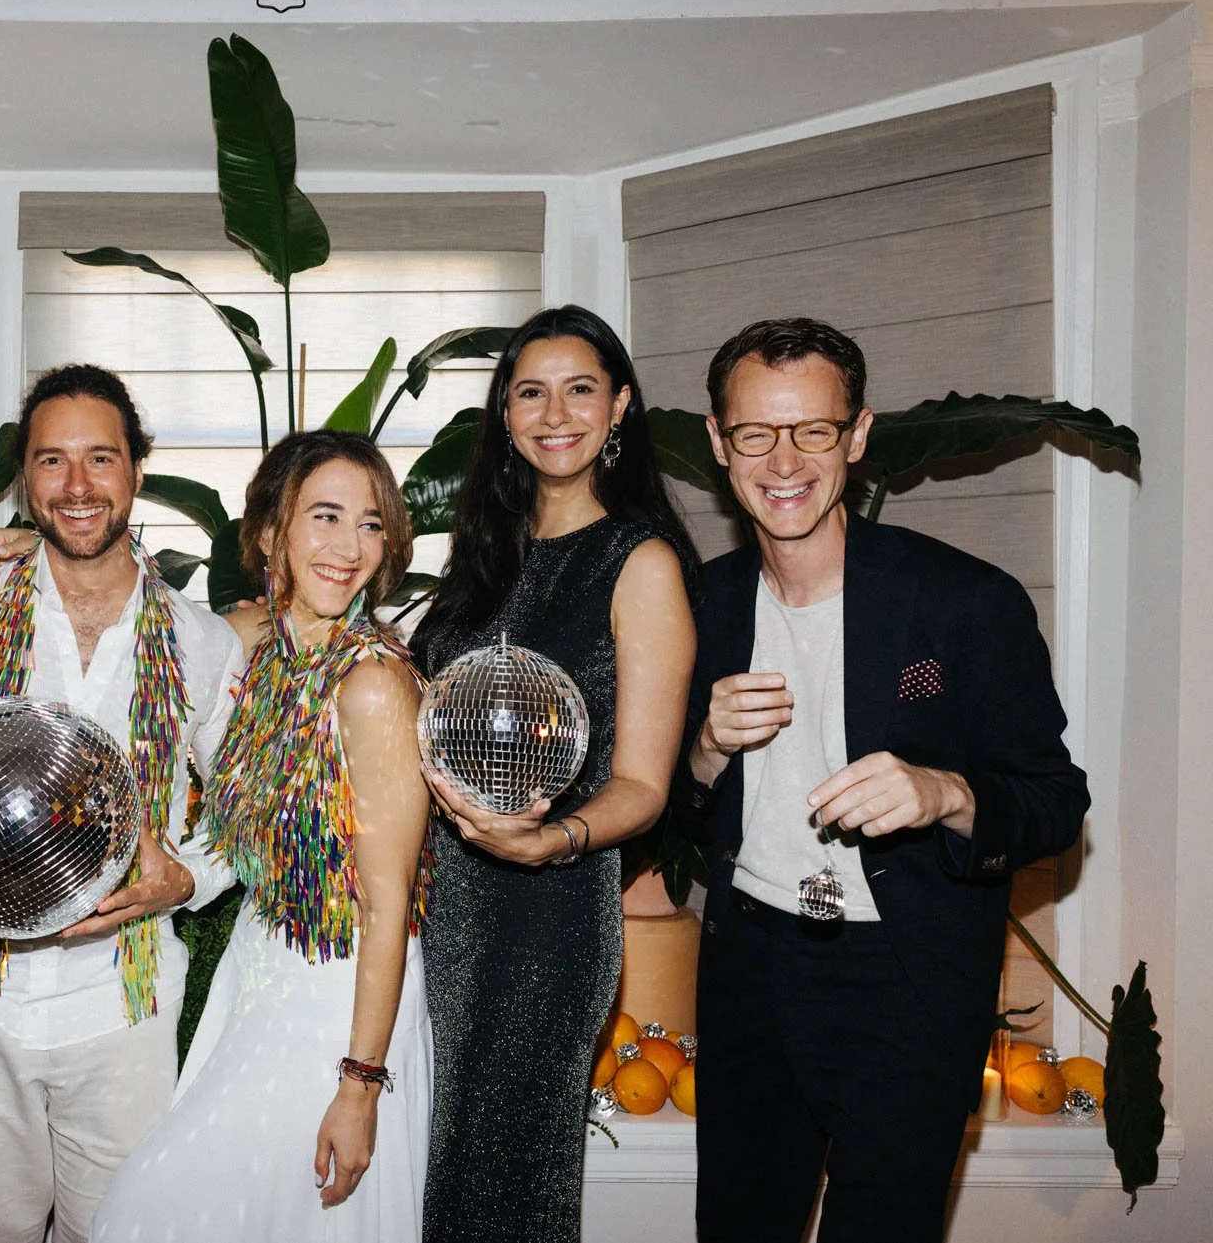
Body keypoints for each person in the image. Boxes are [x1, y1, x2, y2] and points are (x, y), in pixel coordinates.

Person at [685, 318, 1089, 1243]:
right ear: (718, 443)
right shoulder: (701, 600)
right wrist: (708, 744)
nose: (784, 460)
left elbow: (1055, 801)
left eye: (813, 430)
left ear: (857, 435)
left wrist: (945, 793)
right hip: (751, 970)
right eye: (755, 433)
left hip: (906, 982)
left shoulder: (967, 600)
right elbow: (677, 792)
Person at [0, 364, 244, 1243]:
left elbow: (244, 813)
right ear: (25, 480)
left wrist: (180, 880)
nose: (78, 486)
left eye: (101, 458)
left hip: (126, 1011)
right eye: (51, 461)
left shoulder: (201, 639)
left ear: (136, 470)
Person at [91, 429, 435, 1242]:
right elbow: (126, 618)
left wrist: (360, 1085)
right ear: (272, 533)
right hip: (256, 975)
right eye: (324, 516)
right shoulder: (257, 648)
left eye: (371, 523)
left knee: (162, 1209)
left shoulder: (376, 684)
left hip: (341, 1001)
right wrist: (16, 547)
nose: (348, 546)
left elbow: (390, 906)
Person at [412, 305, 699, 1243]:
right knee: (443, 1167)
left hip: (548, 919)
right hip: (443, 908)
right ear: (503, 414)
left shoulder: (639, 560)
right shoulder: (481, 561)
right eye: (530, 391)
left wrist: (550, 838)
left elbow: (645, 787)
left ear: (619, 407)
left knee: (504, 1186)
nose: (555, 411)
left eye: (581, 388)